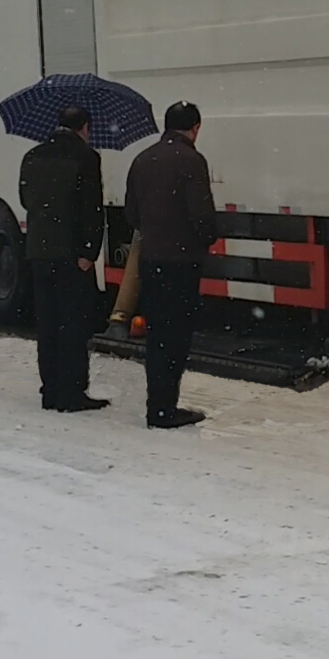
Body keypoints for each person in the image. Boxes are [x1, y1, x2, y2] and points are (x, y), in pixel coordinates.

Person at [125, 101, 217, 429]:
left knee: (158, 334)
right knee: (176, 336)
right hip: (182, 261)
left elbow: (131, 214)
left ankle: (157, 404)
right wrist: (206, 237)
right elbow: (202, 214)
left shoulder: (143, 159)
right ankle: (166, 409)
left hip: (151, 260)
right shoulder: (192, 161)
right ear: (195, 127)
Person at [18, 106, 107, 413]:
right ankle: (72, 392)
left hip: (39, 253)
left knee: (47, 322)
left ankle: (50, 389)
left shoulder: (33, 156)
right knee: (73, 324)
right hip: (70, 254)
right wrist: (88, 251)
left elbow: (25, 199)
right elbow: (92, 209)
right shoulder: (86, 157)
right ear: (84, 126)